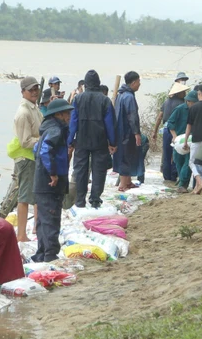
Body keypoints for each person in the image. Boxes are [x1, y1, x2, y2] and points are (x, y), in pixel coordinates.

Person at [68, 69, 116, 209]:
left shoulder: (78, 99)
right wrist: (112, 142)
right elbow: (110, 124)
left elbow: (73, 122)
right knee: (99, 170)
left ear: (86, 84)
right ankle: (95, 199)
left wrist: (70, 141)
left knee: (80, 170)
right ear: (98, 84)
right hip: (100, 140)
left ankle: (80, 199)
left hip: (82, 140)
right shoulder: (105, 100)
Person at [33, 98, 72, 262]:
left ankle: (42, 253)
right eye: (67, 113)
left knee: (43, 219)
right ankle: (50, 255)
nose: (70, 117)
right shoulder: (55, 130)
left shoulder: (47, 129)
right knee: (51, 218)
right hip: (50, 184)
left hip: (41, 183)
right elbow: (44, 151)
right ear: (59, 114)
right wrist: (53, 174)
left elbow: (36, 149)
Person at [12, 76, 42, 243]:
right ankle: (21, 235)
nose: (34, 92)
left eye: (36, 89)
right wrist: (42, 140)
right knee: (24, 197)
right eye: (30, 90)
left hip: (33, 157)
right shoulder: (23, 112)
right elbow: (25, 141)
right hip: (25, 158)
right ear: (23, 92)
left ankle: (36, 228)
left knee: (36, 194)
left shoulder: (33, 108)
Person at [151, 80, 190, 183]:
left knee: (167, 154)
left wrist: (154, 131)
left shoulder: (166, 102)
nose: (185, 94)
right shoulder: (181, 104)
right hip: (175, 132)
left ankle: (166, 177)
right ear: (179, 93)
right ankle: (174, 176)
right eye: (183, 92)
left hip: (165, 130)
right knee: (176, 155)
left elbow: (159, 117)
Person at [113, 71, 142, 192]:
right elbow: (132, 116)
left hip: (120, 131)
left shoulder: (121, 94)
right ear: (134, 82)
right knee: (126, 156)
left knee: (127, 155)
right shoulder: (128, 97)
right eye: (139, 82)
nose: (140, 85)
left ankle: (128, 182)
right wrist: (136, 133)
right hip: (127, 131)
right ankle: (123, 185)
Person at [167, 89, 197, 193]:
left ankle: (183, 184)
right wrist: (174, 136)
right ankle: (182, 182)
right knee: (178, 161)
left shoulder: (196, 111)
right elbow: (170, 123)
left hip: (190, 141)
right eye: (192, 103)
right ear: (188, 101)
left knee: (188, 163)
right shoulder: (179, 109)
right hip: (179, 140)